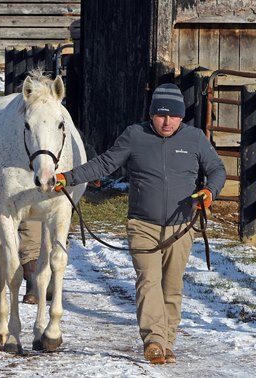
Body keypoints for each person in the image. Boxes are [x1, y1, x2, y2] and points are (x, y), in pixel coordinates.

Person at [54, 83, 226, 364]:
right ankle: (154, 342)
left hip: (181, 226)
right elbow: (104, 164)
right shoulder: (135, 135)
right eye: (161, 115)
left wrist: (210, 191)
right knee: (149, 281)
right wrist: (67, 177)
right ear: (151, 115)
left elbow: (217, 169)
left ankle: (167, 342)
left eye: (173, 116)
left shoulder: (194, 139)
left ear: (182, 116)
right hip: (142, 225)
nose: (167, 121)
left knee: (171, 287)